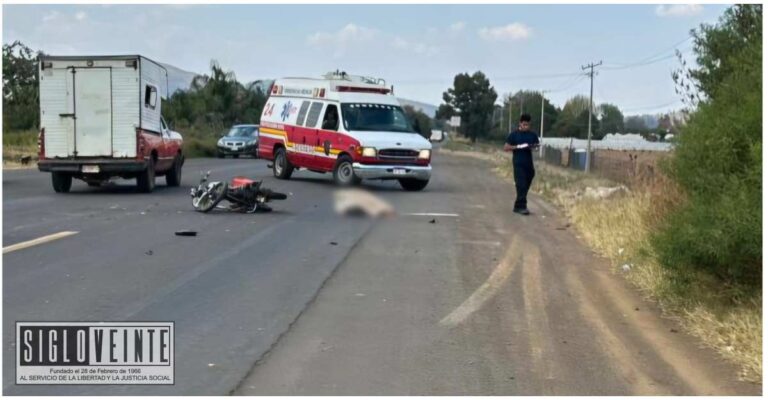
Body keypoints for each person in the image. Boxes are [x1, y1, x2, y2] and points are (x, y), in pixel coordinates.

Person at [503, 114, 540, 215]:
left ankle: (517, 206)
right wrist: (518, 146)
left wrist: (532, 147)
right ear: (520, 123)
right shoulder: (514, 135)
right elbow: (506, 147)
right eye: (524, 124)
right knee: (521, 185)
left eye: (527, 125)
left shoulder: (532, 135)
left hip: (529, 164)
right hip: (518, 163)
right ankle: (522, 206)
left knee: (525, 186)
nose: (525, 126)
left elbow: (537, 147)